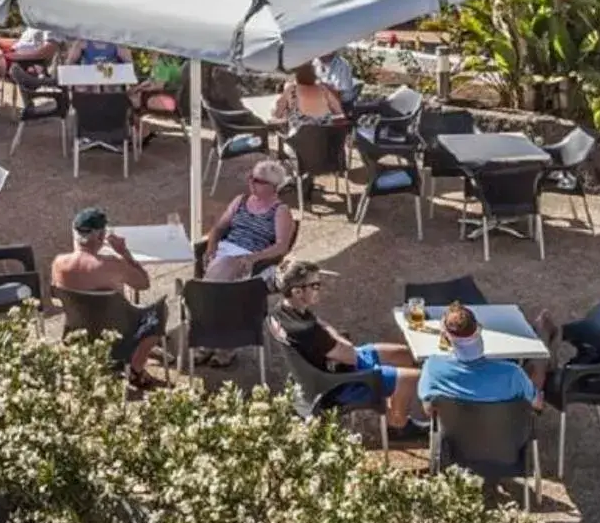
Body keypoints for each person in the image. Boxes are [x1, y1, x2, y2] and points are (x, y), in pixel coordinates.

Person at [269, 260, 423, 438]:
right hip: (335, 384)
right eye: (315, 285)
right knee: (413, 378)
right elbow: (349, 355)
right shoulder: (307, 330)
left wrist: (334, 341)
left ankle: (394, 414)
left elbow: (323, 327)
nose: (320, 289)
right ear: (297, 292)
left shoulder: (281, 312)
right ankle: (399, 426)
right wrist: (338, 341)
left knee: (403, 354)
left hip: (324, 366)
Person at [49, 206, 165, 386]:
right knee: (159, 312)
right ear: (100, 237)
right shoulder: (111, 265)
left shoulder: (59, 264)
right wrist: (124, 252)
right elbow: (143, 283)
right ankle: (136, 368)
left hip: (79, 332)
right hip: (117, 334)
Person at [416, 303, 557, 415]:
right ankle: (544, 335)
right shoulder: (512, 373)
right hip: (505, 441)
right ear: (479, 329)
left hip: (455, 443)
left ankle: (543, 332)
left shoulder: (433, 368)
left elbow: (428, 409)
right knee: (534, 369)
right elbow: (537, 404)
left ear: (446, 337)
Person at [202, 158, 298, 282]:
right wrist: (211, 247)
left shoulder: (280, 210)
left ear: (273, 186)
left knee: (225, 266)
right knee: (221, 265)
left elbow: (282, 246)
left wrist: (252, 258)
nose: (251, 183)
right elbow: (219, 227)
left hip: (250, 256)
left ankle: (199, 292)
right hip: (224, 250)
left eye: (258, 181)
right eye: (251, 177)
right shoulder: (240, 200)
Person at [274, 61, 345, 130]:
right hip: (324, 137)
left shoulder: (292, 89)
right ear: (314, 76)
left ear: (297, 76)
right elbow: (338, 111)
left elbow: (277, 114)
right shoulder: (323, 90)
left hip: (300, 139)